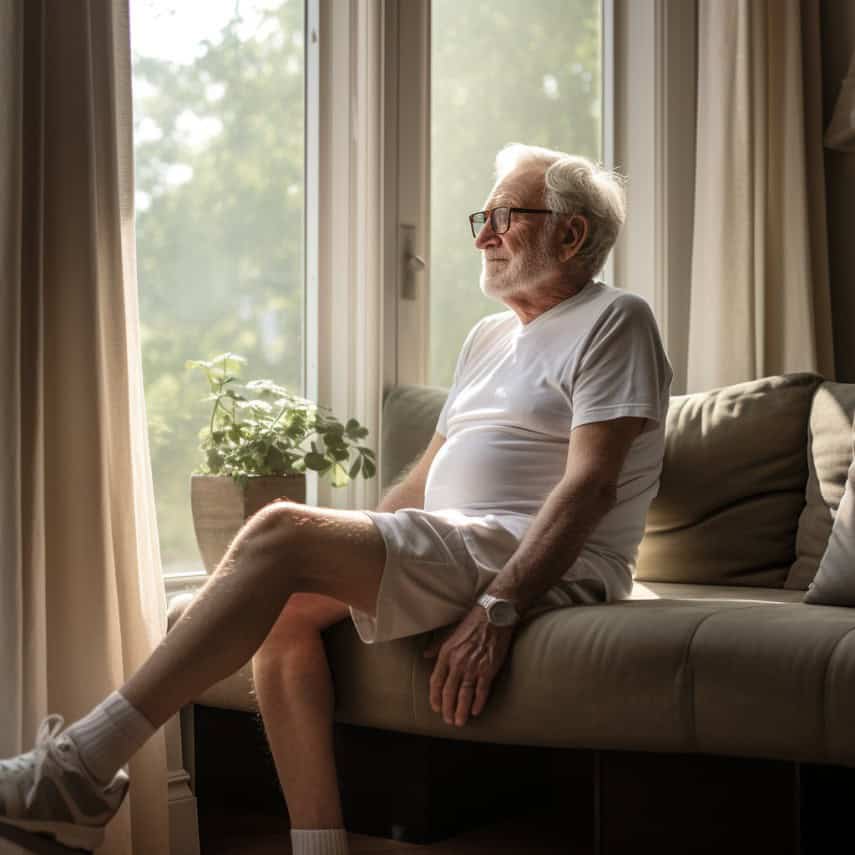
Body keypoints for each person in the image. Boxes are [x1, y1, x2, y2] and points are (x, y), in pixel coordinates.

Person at [0, 142, 672, 855]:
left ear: (571, 234)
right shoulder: (488, 337)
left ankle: (76, 769)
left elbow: (591, 484)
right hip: (460, 535)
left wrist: (499, 606)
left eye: (506, 216)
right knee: (284, 607)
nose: (482, 235)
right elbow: (422, 481)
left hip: (536, 550)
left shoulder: (615, 319)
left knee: (281, 528)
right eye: (483, 216)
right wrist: (351, 541)